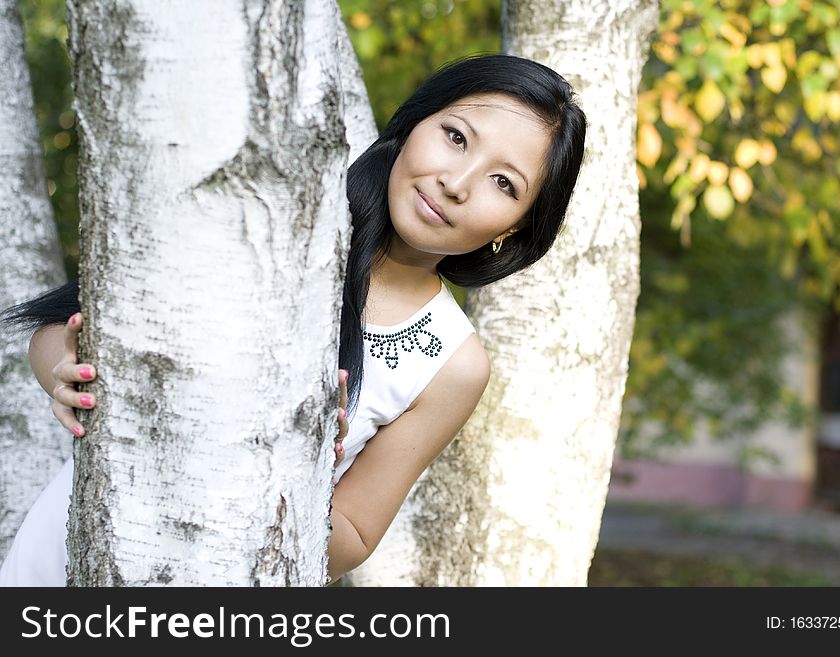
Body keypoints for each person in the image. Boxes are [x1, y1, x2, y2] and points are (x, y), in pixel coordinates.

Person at [0, 53, 587, 586]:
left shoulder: (453, 362)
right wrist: (62, 370)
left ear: (517, 226)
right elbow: (60, 330)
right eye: (455, 137)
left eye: (504, 182)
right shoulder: (270, 221)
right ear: (413, 124)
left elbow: (354, 534)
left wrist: (294, 463)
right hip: (62, 560)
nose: (456, 184)